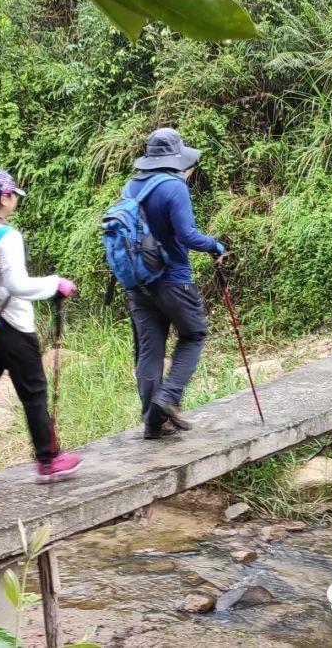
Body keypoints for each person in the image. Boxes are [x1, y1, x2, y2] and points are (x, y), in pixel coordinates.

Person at [0, 168, 82, 500]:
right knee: (34, 393)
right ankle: (49, 460)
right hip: (11, 328)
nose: (14, 203)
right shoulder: (7, 236)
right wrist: (56, 283)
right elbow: (17, 286)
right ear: (5, 198)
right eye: (13, 197)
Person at [122, 129, 228, 440]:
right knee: (194, 334)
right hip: (173, 280)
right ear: (176, 158)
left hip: (139, 283)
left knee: (150, 350)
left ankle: (154, 423)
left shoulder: (131, 186)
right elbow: (187, 235)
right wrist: (216, 246)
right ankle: (167, 399)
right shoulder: (173, 187)